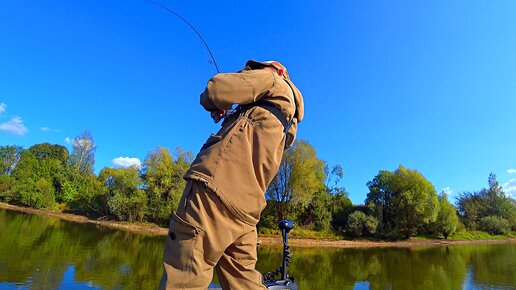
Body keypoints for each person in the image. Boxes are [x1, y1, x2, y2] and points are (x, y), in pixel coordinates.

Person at [159, 60, 304, 290]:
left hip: (214, 193)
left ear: (277, 70)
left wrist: (219, 101)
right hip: (247, 212)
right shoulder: (287, 122)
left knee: (185, 275)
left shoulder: (272, 80)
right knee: (244, 282)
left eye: (255, 69)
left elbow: (215, 90)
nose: (251, 73)